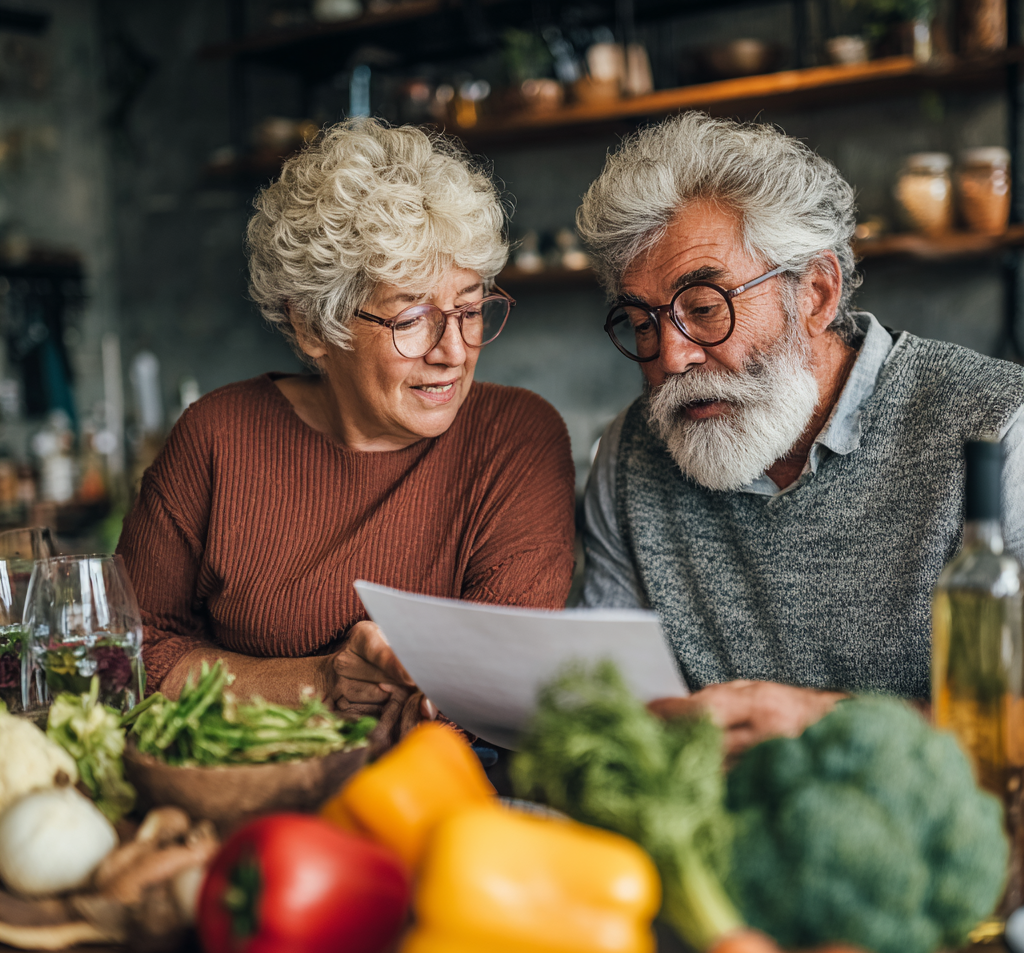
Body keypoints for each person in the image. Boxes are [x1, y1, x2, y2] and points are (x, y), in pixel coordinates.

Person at [577, 111, 1024, 755]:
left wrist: (829, 725)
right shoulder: (633, 454)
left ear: (815, 293)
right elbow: (605, 699)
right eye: (642, 323)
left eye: (704, 309)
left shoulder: (996, 427)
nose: (670, 357)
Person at [117, 120, 576, 742]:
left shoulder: (516, 437)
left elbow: (497, 681)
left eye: (470, 309)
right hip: (243, 789)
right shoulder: (217, 437)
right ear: (313, 328)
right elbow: (129, 653)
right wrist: (319, 684)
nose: (453, 351)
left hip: (443, 799)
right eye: (411, 317)